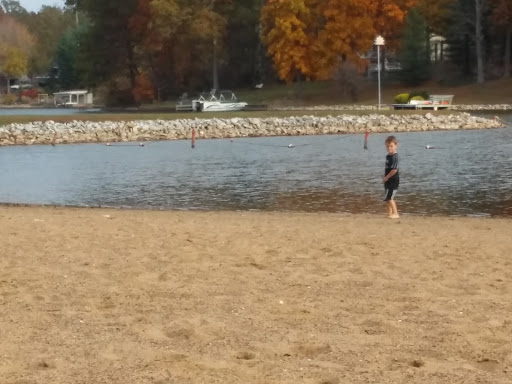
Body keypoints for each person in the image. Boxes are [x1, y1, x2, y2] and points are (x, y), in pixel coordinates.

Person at [383, 136, 400, 218]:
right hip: (388, 179)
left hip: (393, 179)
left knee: (390, 197)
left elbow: (394, 170)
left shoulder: (395, 157)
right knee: (387, 198)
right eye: (387, 146)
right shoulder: (388, 156)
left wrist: (387, 177)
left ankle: (396, 213)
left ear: (396, 145)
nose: (389, 148)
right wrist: (385, 177)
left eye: (391, 146)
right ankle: (389, 213)